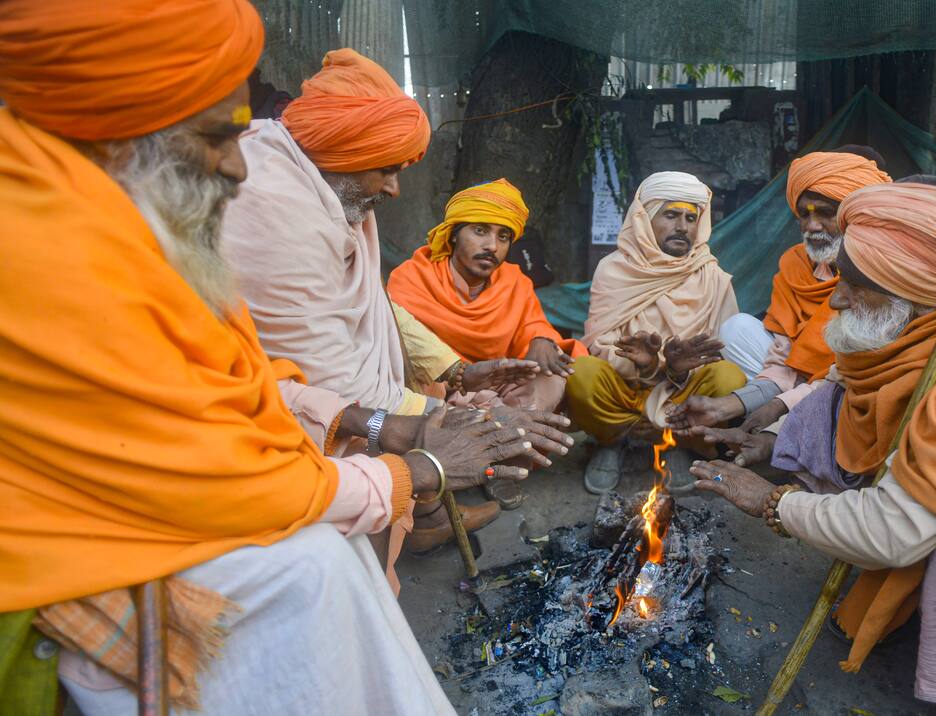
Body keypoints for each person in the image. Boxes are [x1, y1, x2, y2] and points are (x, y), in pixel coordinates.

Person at [0, 3, 549, 713]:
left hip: (254, 454)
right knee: (312, 567)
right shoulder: (57, 246)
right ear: (118, 138)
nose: (237, 167)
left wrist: (418, 405)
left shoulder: (133, 211)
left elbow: (250, 377)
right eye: (213, 139)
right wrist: (425, 460)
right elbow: (211, 470)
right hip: (62, 543)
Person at [692, 183, 936, 713]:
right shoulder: (915, 338)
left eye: (854, 285)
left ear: (914, 293)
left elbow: (892, 531)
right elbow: (829, 393)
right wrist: (768, 437)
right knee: (828, 404)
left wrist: (770, 502)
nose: (836, 297)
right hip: (933, 511)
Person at [220, 50, 573, 533]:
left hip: (423, 391)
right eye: (388, 169)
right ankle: (423, 514)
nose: (393, 190)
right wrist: (440, 409)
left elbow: (381, 318)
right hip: (292, 420)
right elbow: (332, 381)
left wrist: (463, 374)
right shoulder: (278, 217)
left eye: (504, 236)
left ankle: (423, 509)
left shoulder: (321, 188)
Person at [669, 150, 890, 436]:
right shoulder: (795, 263)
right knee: (736, 329)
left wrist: (777, 406)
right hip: (799, 377)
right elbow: (782, 360)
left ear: (856, 213)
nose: (811, 226)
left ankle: (792, 429)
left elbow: (848, 374)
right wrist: (726, 406)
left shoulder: (883, 272)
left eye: (825, 213)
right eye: (803, 215)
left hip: (853, 385)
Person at [565, 171, 745, 494]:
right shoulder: (613, 270)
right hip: (626, 389)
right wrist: (646, 366)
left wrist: (677, 370)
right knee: (581, 373)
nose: (683, 227)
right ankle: (613, 440)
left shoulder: (713, 276)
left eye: (691, 218)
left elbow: (723, 351)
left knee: (730, 379)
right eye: (671, 215)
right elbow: (599, 346)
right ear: (645, 218)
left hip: (684, 396)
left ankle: (677, 441)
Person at [388, 178, 586, 411]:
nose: (492, 246)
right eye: (480, 231)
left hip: (500, 386)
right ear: (453, 234)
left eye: (503, 236)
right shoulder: (412, 277)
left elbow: (532, 324)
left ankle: (511, 429)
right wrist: (458, 378)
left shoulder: (515, 282)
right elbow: (402, 350)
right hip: (437, 390)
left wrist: (541, 339)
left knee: (551, 377)